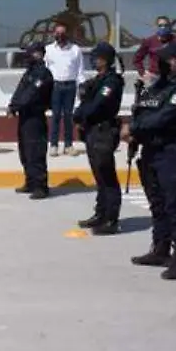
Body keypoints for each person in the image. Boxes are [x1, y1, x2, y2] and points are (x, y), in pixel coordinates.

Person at [122, 41, 176, 280]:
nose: (158, 64)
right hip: (153, 151)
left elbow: (166, 117)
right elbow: (143, 110)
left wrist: (134, 128)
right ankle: (160, 249)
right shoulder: (161, 85)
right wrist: (134, 128)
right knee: (157, 204)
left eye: (163, 59)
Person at [72, 41, 125, 233]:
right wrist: (78, 116)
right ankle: (100, 213)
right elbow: (85, 101)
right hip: (92, 131)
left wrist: (82, 115)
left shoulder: (112, 81)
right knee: (99, 176)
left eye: (97, 58)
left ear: (106, 59)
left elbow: (98, 105)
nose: (94, 61)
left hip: (104, 130)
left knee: (107, 175)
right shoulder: (97, 79)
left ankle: (111, 219)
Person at [7, 42, 54, 199]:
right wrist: (13, 105)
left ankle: (41, 186)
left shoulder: (43, 74)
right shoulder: (30, 72)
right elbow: (20, 90)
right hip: (25, 116)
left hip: (35, 117)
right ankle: (30, 181)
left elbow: (32, 93)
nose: (27, 55)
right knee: (25, 151)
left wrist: (17, 105)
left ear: (39, 54)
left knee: (36, 151)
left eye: (30, 52)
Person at [44, 23, 86, 157]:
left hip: (70, 86)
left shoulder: (75, 50)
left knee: (68, 116)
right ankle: (53, 145)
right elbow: (45, 70)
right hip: (55, 86)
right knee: (55, 116)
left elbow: (80, 70)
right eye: (58, 33)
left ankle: (68, 145)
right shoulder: (48, 50)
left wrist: (82, 87)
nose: (60, 36)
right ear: (54, 34)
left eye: (63, 33)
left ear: (67, 34)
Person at [132, 15, 176, 81]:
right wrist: (142, 73)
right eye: (160, 25)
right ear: (156, 27)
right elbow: (137, 59)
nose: (163, 28)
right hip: (155, 77)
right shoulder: (149, 41)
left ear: (169, 26)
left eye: (166, 25)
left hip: (174, 77)